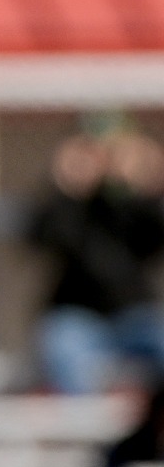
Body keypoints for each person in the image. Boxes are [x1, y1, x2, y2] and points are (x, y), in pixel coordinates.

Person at [31, 128, 164, 394]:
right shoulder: (71, 209)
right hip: (76, 316)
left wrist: (147, 182)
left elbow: (157, 232)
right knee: (62, 347)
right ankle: (81, 434)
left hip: (134, 315)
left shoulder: (132, 208)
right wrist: (70, 183)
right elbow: (43, 234)